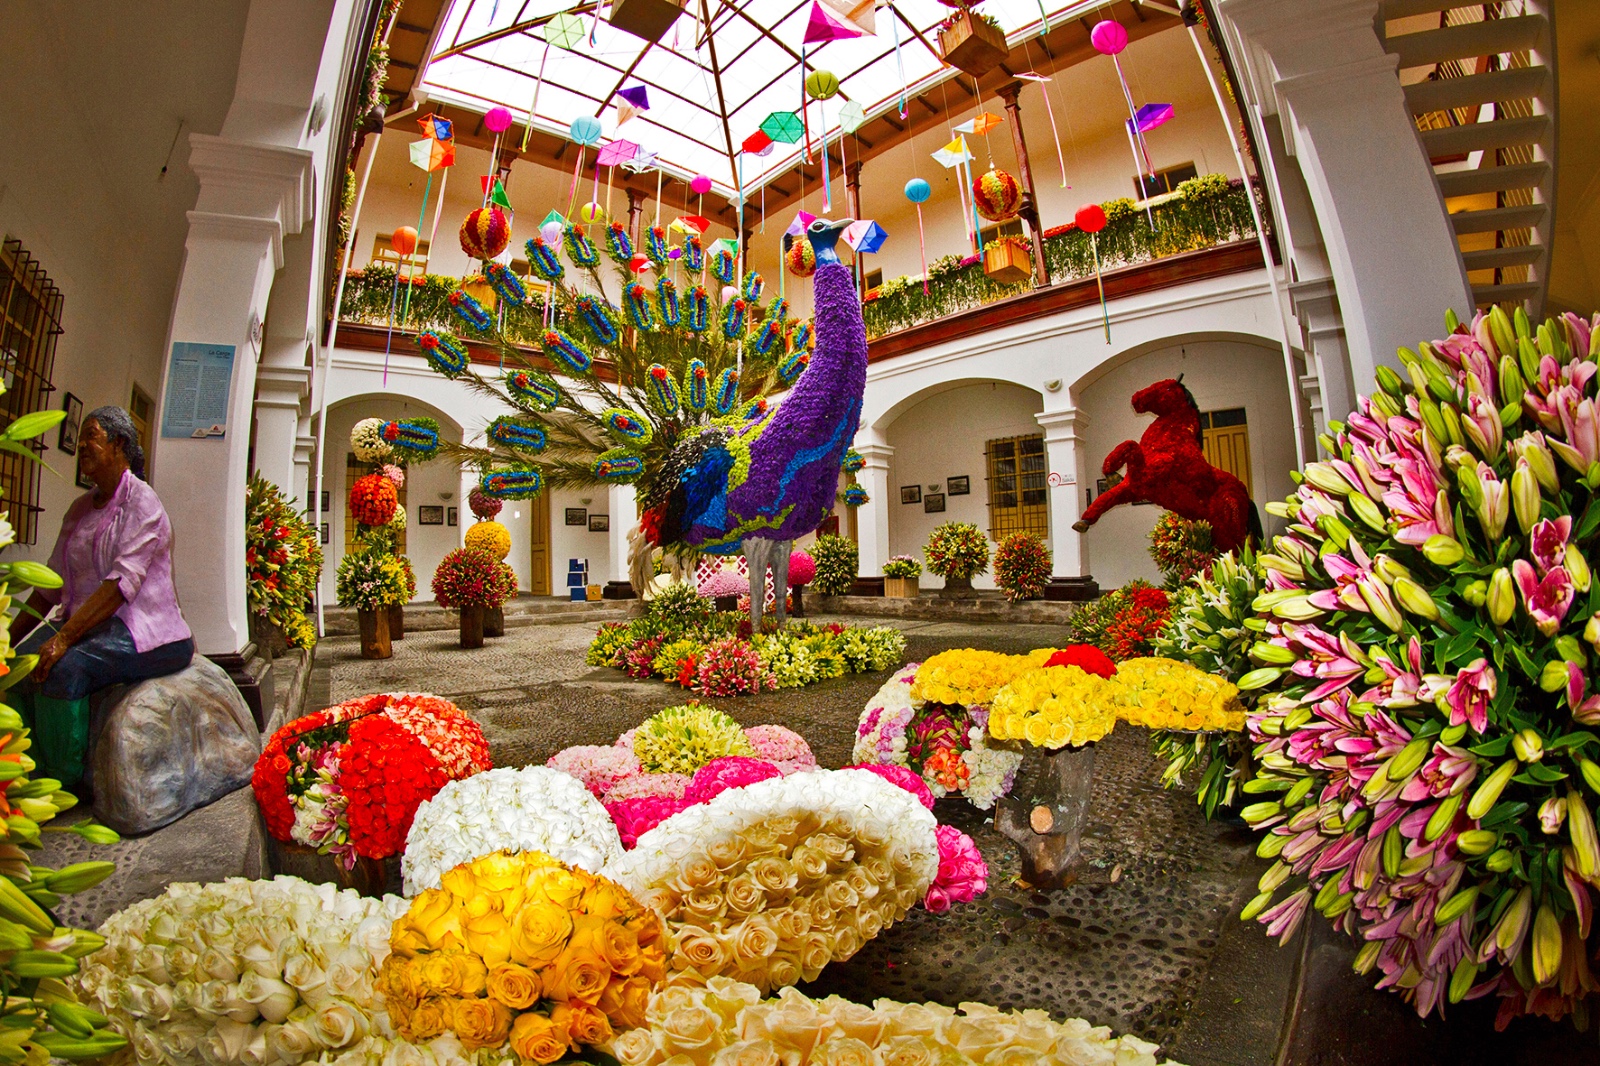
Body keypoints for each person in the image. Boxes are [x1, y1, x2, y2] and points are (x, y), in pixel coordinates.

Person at [9, 407, 194, 787]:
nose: (81, 447)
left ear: (118, 444)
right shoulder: (80, 508)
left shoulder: (143, 502)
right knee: (15, 668)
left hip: (143, 631)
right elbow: (50, 584)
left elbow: (119, 586)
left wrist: (62, 639)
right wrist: (7, 642)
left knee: (65, 669)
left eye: (91, 436)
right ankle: (26, 771)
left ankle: (63, 784)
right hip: (89, 623)